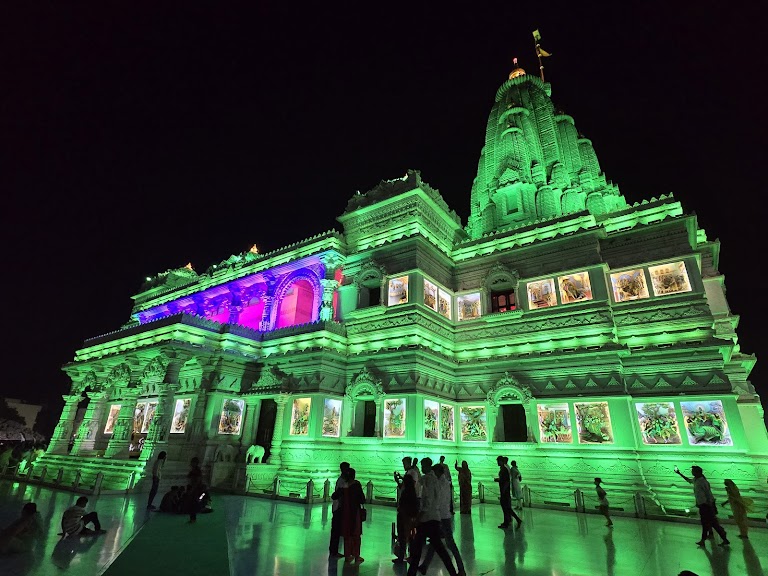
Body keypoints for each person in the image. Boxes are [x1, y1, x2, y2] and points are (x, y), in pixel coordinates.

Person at [406, 457, 458, 576]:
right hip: (435, 517)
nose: (422, 468)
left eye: (423, 466)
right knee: (437, 549)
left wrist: (419, 517)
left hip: (427, 520)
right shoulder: (435, 480)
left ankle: (412, 572)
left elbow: (427, 502)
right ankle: (452, 572)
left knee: (423, 548)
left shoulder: (429, 480)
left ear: (427, 466)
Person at [419, 462, 466, 576]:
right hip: (443, 516)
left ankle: (460, 569)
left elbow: (438, 500)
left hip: (442, 517)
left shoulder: (441, 483)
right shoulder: (445, 482)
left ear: (439, 472)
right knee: (436, 543)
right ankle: (425, 566)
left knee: (448, 544)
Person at [674, 465, 729, 546]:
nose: (691, 472)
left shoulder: (703, 482)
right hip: (703, 505)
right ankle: (717, 537)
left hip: (706, 506)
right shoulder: (696, 480)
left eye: (693, 471)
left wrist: (710, 505)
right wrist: (679, 473)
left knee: (707, 523)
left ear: (698, 472)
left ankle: (707, 539)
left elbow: (708, 494)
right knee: (710, 523)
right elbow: (688, 480)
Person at [340, 467, 366, 564]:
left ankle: (347, 555)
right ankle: (356, 555)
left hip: (345, 513)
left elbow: (335, 495)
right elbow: (362, 499)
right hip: (355, 513)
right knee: (356, 534)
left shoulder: (344, 485)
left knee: (347, 535)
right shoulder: (356, 484)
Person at [393, 473, 419, 564]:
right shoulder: (412, 491)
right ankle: (410, 556)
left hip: (404, 517)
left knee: (402, 537)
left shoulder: (406, 492)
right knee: (410, 538)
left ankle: (401, 557)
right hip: (410, 518)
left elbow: (403, 504)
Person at [329, 461, 350, 558]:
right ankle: (333, 550)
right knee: (336, 530)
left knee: (337, 530)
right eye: (347, 469)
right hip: (338, 508)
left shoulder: (343, 480)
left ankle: (334, 550)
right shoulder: (341, 481)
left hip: (338, 507)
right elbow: (339, 494)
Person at [494, 455, 521, 529]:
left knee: (506, 508)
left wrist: (503, 491)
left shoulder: (504, 469)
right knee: (507, 508)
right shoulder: (504, 468)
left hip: (505, 492)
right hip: (505, 491)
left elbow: (506, 481)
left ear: (501, 461)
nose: (497, 462)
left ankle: (509, 522)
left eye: (498, 461)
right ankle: (512, 521)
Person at [187, 457, 204, 523]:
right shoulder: (193, 470)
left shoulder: (197, 471)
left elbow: (197, 481)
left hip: (195, 490)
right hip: (193, 489)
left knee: (193, 503)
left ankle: (193, 519)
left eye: (192, 462)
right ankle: (192, 518)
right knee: (192, 503)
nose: (191, 463)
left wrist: (192, 489)